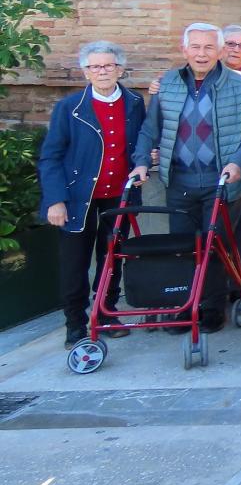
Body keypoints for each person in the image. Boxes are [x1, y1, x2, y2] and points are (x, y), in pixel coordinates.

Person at [129, 23, 241, 331]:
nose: (202, 54)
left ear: (220, 51)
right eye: (196, 47)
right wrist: (140, 162)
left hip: (223, 182)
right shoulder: (167, 84)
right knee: (183, 247)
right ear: (184, 49)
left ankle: (211, 308)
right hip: (179, 182)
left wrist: (238, 162)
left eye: (209, 47)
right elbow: (150, 129)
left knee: (216, 246)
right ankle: (183, 307)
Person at [39, 41, 147, 347]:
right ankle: (75, 323)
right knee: (75, 261)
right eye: (95, 67)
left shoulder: (134, 102)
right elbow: (51, 156)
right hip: (77, 197)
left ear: (120, 69)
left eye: (108, 65)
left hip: (119, 194)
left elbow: (141, 142)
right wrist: (55, 199)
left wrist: (143, 162)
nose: (102, 71)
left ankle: (107, 314)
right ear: (86, 72)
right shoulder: (69, 107)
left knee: (112, 256)